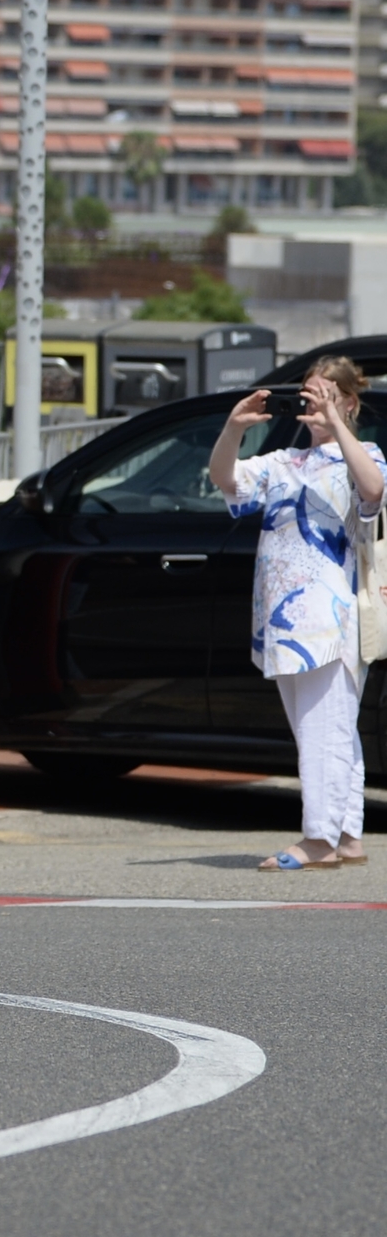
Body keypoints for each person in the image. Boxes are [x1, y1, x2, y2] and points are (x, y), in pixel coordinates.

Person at [209, 357, 387, 871]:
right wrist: (233, 428)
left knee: (321, 728)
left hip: (332, 616)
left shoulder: (365, 454)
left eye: (327, 394)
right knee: (330, 727)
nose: (312, 403)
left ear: (351, 402)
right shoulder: (284, 461)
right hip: (285, 619)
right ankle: (347, 833)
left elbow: (373, 491)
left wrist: (337, 425)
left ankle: (318, 840)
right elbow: (227, 479)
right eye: (308, 394)